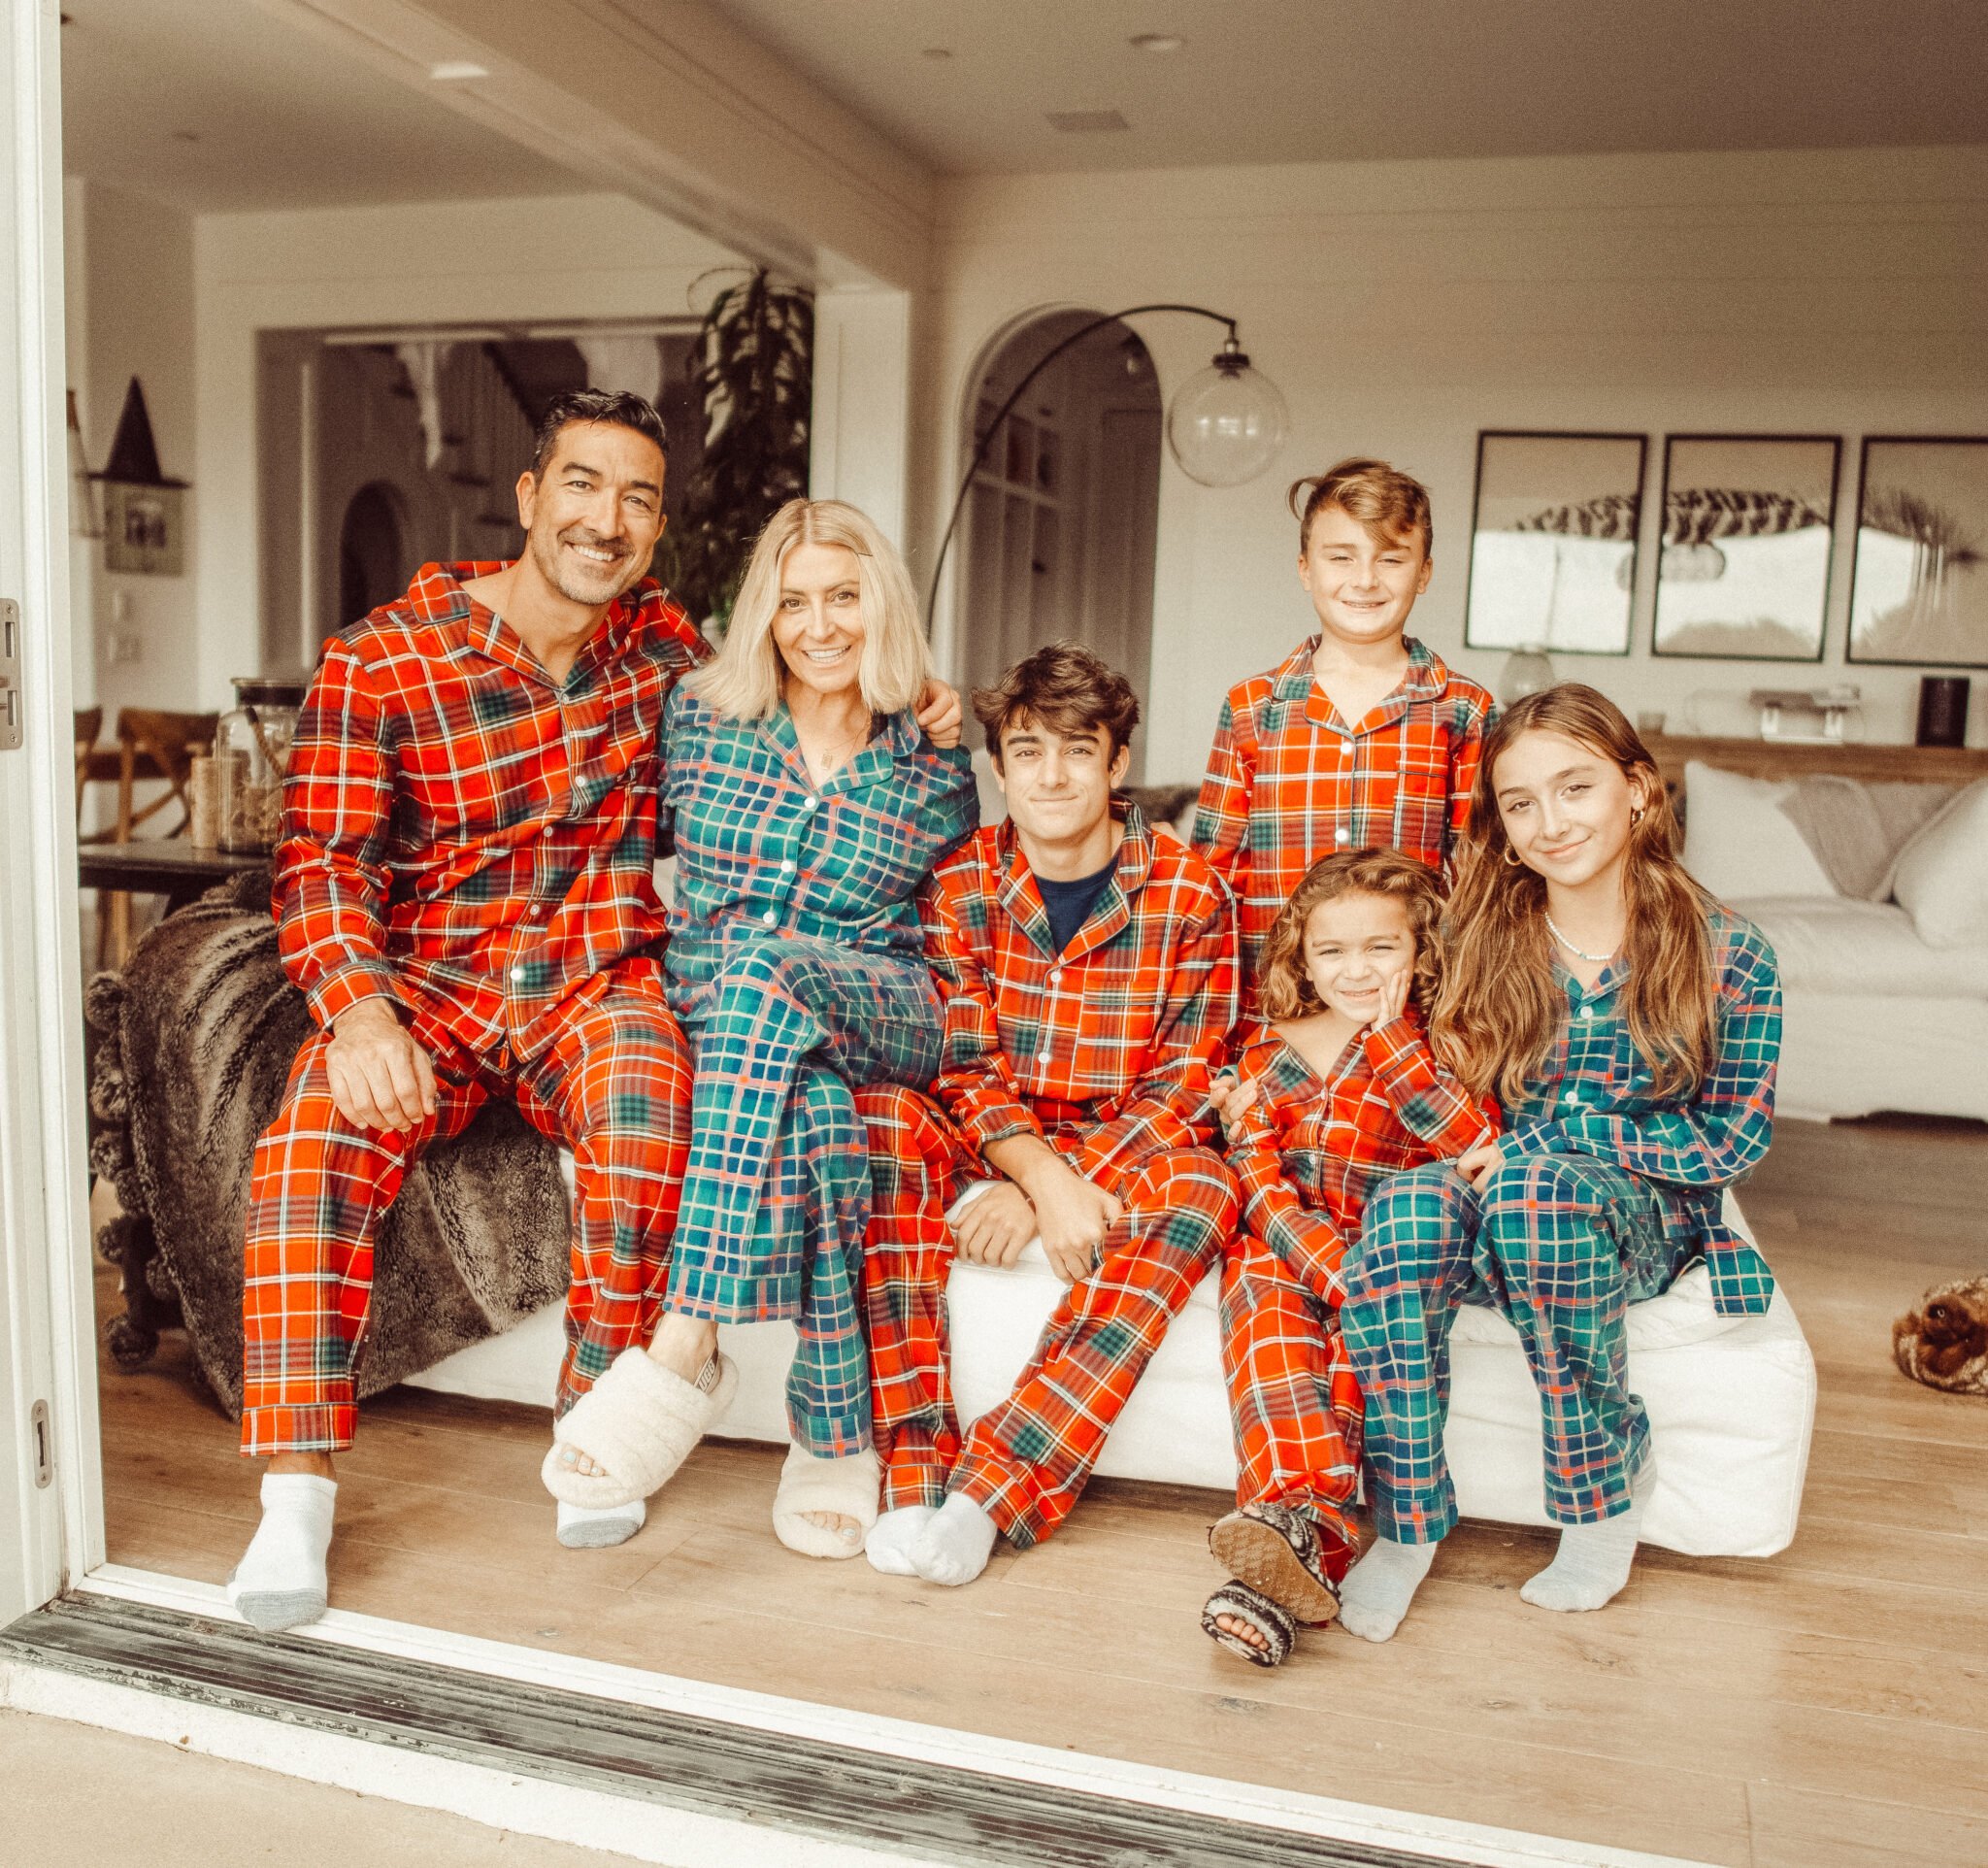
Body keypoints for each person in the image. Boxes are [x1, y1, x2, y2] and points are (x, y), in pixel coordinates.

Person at [228, 389, 707, 1633]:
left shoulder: (664, 649)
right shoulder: (382, 655)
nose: (608, 519)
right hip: (429, 985)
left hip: (591, 978)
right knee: (310, 1141)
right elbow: (322, 860)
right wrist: (359, 1016)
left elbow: (806, 689)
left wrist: (916, 704)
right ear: (530, 495)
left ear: (656, 528)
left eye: (638, 498)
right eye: (586, 485)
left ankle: (598, 1428)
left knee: (652, 1100)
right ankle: (295, 1492)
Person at [543, 498, 977, 1560]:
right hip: (724, 1009)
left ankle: (685, 1336)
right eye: (791, 602)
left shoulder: (932, 758)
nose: (819, 625)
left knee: (771, 975)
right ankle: (831, 1439)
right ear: (760, 616)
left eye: (842, 597)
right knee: (822, 1115)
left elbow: (958, 932)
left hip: (885, 1001)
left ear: (879, 603)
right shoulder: (698, 715)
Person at [1335, 684, 1781, 1642]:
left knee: (1538, 1191)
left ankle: (1597, 1501)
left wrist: (1565, 1139)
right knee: (1407, 1209)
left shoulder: (1729, 953)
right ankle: (1405, 1522)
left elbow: (1730, 1139)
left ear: (1637, 792)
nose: (1549, 821)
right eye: (1519, 802)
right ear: (1497, 826)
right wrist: (1394, 1051)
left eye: (1573, 788)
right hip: (1500, 1191)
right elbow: (1456, 1109)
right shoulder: (1477, 938)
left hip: (1638, 1217)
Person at [856, 643, 1240, 1587]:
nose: (1052, 774)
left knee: (1204, 1184)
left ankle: (992, 1490)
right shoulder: (956, 886)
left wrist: (1065, 1183)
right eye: (1027, 751)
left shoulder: (1191, 893)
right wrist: (1037, 1177)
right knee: (878, 1122)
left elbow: (1187, 1084)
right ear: (996, 767)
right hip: (992, 1129)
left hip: (1121, 1137)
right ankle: (910, 1469)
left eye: (1079, 749)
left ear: (1117, 766)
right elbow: (961, 1060)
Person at [1203, 849, 1494, 1668]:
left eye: (1382, 949)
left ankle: (1276, 1573)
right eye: (1332, 952)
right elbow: (1257, 1179)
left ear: (1422, 952)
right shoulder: (1267, 1049)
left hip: (1395, 1257)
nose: (1355, 970)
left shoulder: (1449, 1044)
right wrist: (1328, 1266)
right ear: (1302, 957)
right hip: (1296, 1248)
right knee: (1261, 1302)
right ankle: (1297, 1539)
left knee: (1352, 1357)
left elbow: (1474, 1148)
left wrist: (1393, 1043)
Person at [1189, 457, 1494, 989]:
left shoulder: (1463, 709)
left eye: (1392, 559)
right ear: (1306, 567)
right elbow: (1214, 881)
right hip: (1272, 1014)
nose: (1365, 580)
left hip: (1411, 1013)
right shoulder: (1251, 708)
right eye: (1342, 557)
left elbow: (1477, 881)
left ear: (1424, 573)